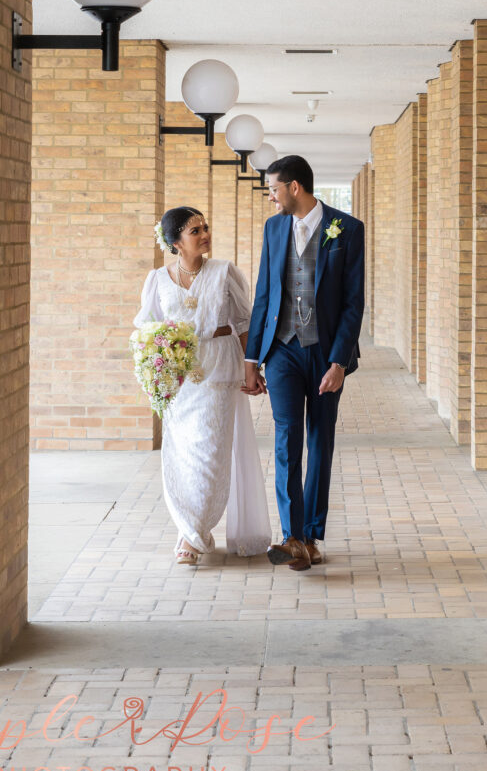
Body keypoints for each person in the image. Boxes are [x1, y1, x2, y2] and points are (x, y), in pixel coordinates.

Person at [243, 156, 364, 571]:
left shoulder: (347, 229)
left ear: (294, 187)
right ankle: (292, 536)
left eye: (274, 187)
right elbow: (264, 293)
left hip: (326, 353)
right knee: (286, 439)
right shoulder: (274, 228)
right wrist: (252, 358)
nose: (271, 195)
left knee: (319, 440)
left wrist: (340, 363)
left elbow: (353, 304)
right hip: (282, 351)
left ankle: (311, 535)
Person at [134, 206, 271, 565]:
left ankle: (192, 535)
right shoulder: (157, 280)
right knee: (182, 454)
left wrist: (251, 368)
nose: (205, 234)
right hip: (179, 378)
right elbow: (147, 328)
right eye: (195, 231)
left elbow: (244, 323)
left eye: (205, 227)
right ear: (175, 242)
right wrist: (155, 369)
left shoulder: (224, 272)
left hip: (219, 372)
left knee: (209, 454)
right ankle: (190, 529)